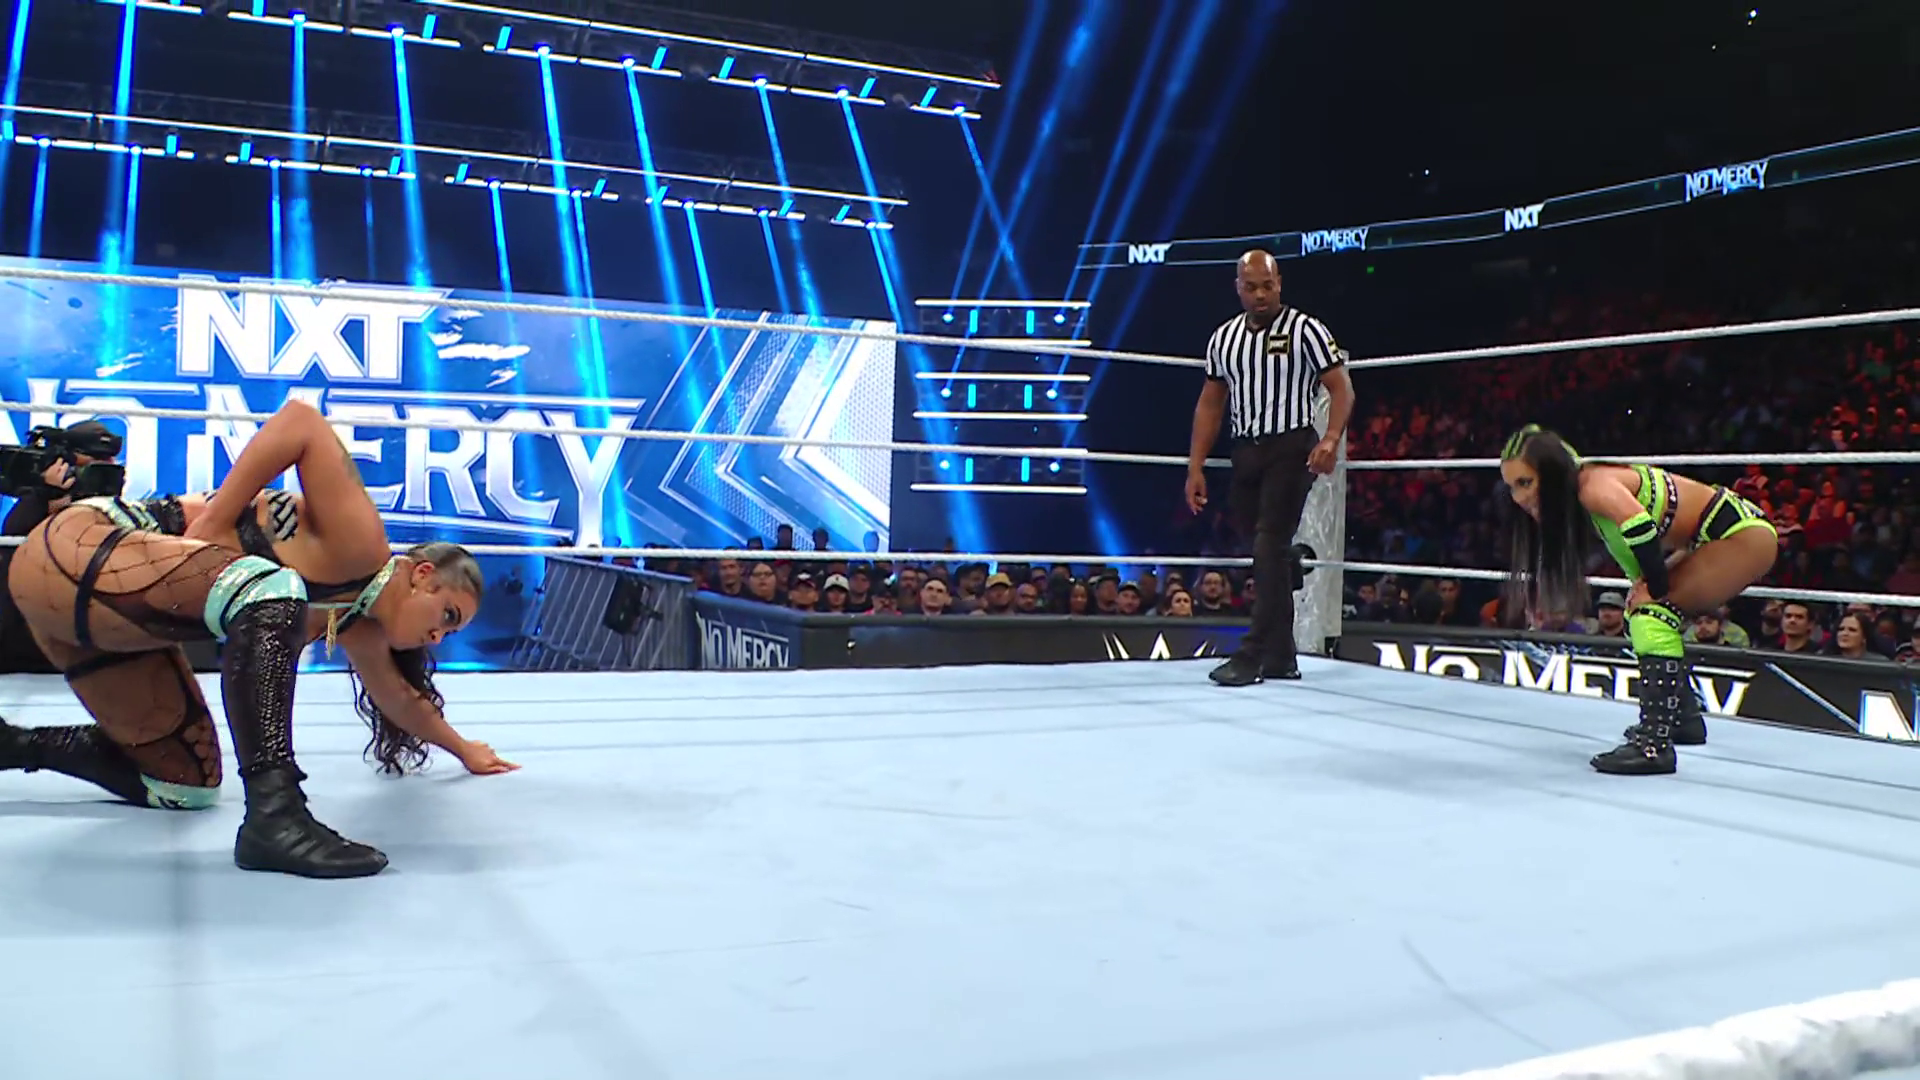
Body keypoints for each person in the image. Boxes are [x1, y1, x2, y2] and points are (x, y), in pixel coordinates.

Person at [0, 399, 516, 878]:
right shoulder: (362, 545)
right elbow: (301, 421)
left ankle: (15, 744)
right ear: (422, 575)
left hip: (93, 617)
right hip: (77, 549)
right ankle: (276, 816)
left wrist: (464, 750)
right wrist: (217, 519)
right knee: (277, 589)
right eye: (447, 615)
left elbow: (398, 699)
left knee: (184, 782)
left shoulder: (356, 623)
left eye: (450, 632)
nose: (438, 636)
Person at [1497, 424, 1778, 776]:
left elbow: (1641, 527)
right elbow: (1638, 556)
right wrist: (1647, 588)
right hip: (1716, 538)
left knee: (1650, 614)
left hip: (1742, 536)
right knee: (1640, 613)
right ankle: (1682, 720)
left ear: (1551, 471)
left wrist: (1655, 588)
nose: (1519, 497)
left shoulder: (1593, 485)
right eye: (1512, 487)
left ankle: (1654, 746)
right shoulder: (1586, 493)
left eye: (1525, 482)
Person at [1185, 249, 1355, 686]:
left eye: (1267, 285)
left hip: (1291, 447)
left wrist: (1331, 439)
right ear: (1238, 288)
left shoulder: (1306, 329)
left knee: (1267, 547)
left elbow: (1341, 388)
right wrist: (1195, 466)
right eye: (1251, 287)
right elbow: (1210, 403)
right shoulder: (1223, 339)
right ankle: (1282, 655)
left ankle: (1252, 655)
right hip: (1246, 451)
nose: (1260, 294)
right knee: (1269, 556)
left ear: (1279, 284)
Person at [0, 420, 124, 674]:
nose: (106, 468)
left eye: (110, 462)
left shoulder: (110, 506)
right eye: (96, 462)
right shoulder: (40, 500)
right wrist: (49, 497)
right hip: (26, 640)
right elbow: (13, 538)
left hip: (87, 639)